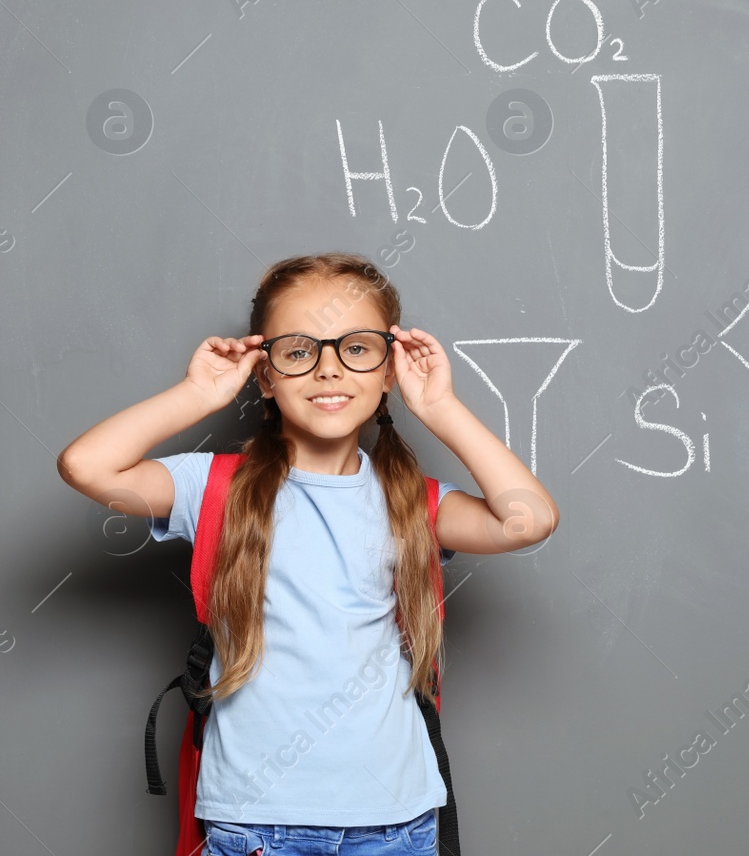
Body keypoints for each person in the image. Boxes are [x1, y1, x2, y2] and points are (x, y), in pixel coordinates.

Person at [58, 251, 560, 855]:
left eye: (356, 349)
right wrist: (196, 395)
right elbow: (85, 466)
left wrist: (440, 408)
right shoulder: (214, 486)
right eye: (299, 350)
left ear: (388, 372)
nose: (328, 370)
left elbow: (529, 520)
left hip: (394, 826)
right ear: (265, 375)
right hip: (253, 826)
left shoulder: (415, 503)